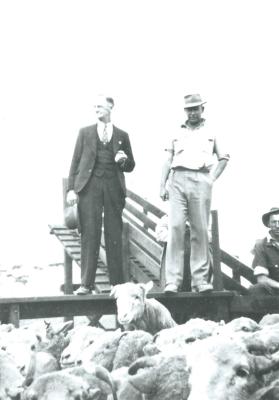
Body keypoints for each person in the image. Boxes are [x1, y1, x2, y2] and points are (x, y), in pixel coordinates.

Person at [160, 94, 229, 293]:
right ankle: (173, 280)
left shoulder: (212, 131)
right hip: (177, 179)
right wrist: (162, 185)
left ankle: (200, 281)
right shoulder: (175, 131)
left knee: (200, 230)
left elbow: (224, 157)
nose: (192, 112)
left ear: (202, 110)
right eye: (188, 109)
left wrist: (211, 178)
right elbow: (167, 159)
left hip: (201, 179)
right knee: (175, 228)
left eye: (195, 108)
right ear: (185, 111)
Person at [66, 95, 135, 294]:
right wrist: (71, 189)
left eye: (100, 105)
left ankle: (117, 284)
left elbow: (131, 165)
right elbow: (75, 161)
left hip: (113, 187)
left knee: (114, 233)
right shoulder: (85, 133)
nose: (96, 108)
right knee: (90, 233)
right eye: (94, 106)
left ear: (111, 106)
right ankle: (86, 284)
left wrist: (123, 161)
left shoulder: (122, 135)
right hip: (89, 187)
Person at [249, 207, 279, 296]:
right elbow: (261, 279)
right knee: (258, 288)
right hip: (275, 291)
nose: (277, 225)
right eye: (274, 222)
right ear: (268, 224)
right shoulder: (261, 245)